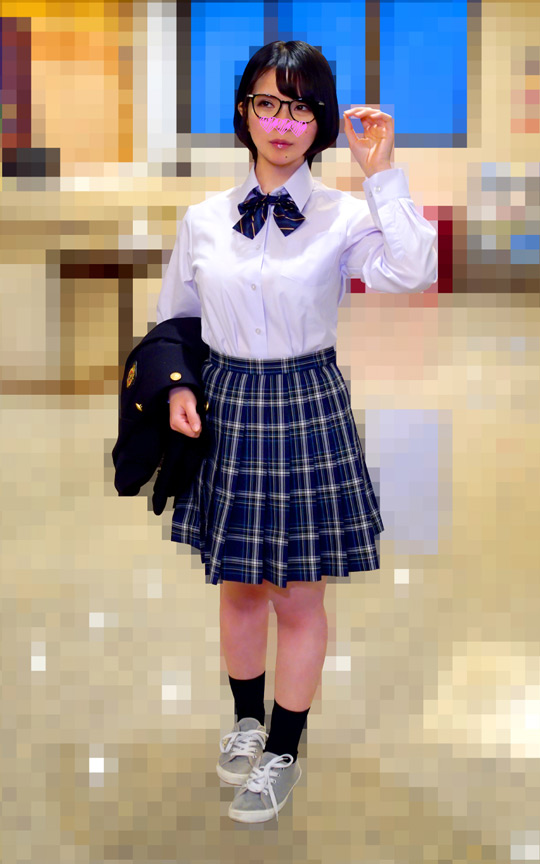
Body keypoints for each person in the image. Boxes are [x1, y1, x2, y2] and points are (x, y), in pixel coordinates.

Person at [156, 40, 437, 824]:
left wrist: (382, 173)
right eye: (267, 104)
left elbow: (414, 270)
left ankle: (284, 746)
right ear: (243, 112)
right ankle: (246, 722)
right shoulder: (203, 219)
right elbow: (174, 320)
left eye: (301, 107)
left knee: (299, 596)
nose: (282, 123)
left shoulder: (344, 215)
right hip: (224, 403)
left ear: (321, 121)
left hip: (306, 401)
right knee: (240, 585)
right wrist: (178, 388)